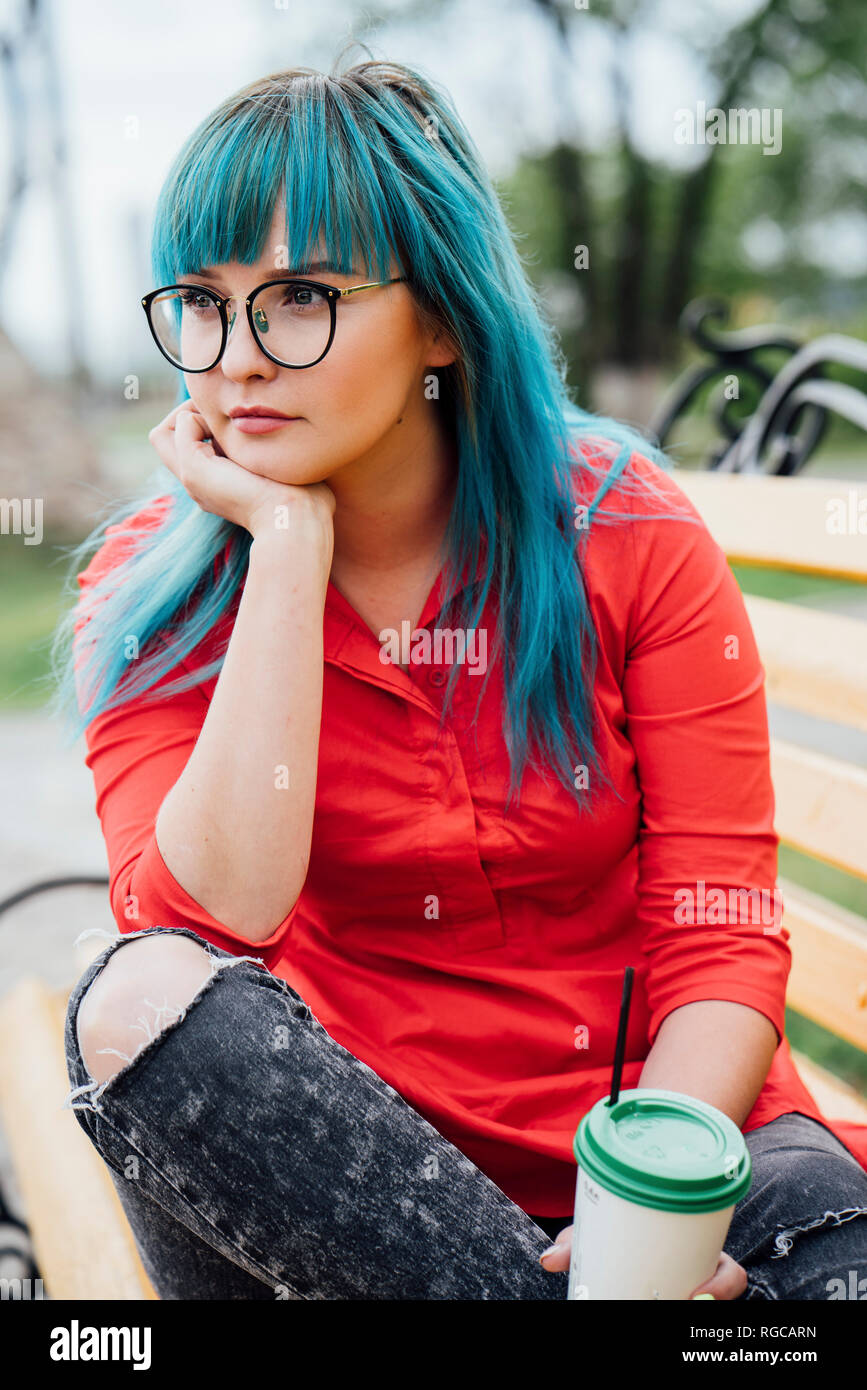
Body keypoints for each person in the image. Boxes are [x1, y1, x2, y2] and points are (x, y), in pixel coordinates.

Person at [52, 54, 867, 1301]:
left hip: (666, 1134)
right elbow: (208, 936)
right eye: (205, 306)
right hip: (342, 1176)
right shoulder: (147, 595)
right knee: (134, 1002)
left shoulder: (623, 535)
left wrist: (642, 1222)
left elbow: (718, 936)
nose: (240, 357)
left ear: (440, 316)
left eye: (301, 298)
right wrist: (284, 547)